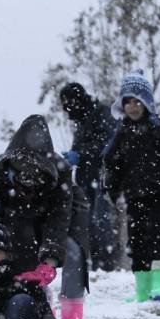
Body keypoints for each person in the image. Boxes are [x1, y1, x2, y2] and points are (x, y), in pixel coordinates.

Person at [0, 114, 93, 319]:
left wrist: (50, 260)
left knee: (73, 252)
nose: (29, 188)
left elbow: (58, 219)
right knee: (20, 247)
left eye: (36, 181)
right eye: (24, 182)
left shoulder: (61, 173)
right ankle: (40, 310)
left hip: (67, 214)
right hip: (18, 218)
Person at [102, 70, 160, 302]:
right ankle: (142, 290)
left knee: (157, 235)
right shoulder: (121, 134)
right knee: (136, 240)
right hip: (134, 196)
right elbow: (112, 164)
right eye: (128, 102)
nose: (133, 107)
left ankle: (159, 286)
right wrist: (111, 189)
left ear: (146, 102)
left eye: (137, 101)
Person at [60, 82, 120, 271]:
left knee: (100, 220)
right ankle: (94, 263)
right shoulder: (81, 121)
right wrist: (71, 158)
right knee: (86, 222)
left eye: (69, 107)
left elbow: (109, 143)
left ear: (77, 101)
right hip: (85, 178)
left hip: (102, 177)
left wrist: (82, 155)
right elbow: (82, 145)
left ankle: (106, 264)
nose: (68, 113)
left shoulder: (102, 113)